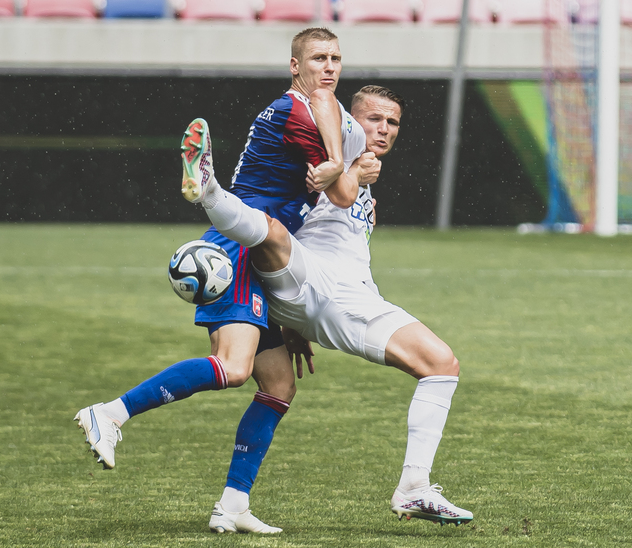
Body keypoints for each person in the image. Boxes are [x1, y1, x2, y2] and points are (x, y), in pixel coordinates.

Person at [73, 27, 368, 534]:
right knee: (233, 368)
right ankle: (111, 413)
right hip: (240, 251)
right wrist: (355, 169)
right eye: (318, 58)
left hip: (263, 254)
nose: (329, 67)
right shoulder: (300, 112)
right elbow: (341, 194)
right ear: (294, 66)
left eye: (336, 58)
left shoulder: (303, 110)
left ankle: (233, 505)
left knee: (279, 385)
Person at [186, 85, 474, 528]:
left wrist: (293, 323)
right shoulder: (326, 165)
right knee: (439, 362)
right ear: (348, 122)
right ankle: (211, 193)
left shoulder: (361, 181)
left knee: (436, 367)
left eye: (392, 122)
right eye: (373, 119)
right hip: (333, 293)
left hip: (344, 295)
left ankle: (233, 503)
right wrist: (346, 167)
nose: (384, 128)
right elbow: (298, 210)